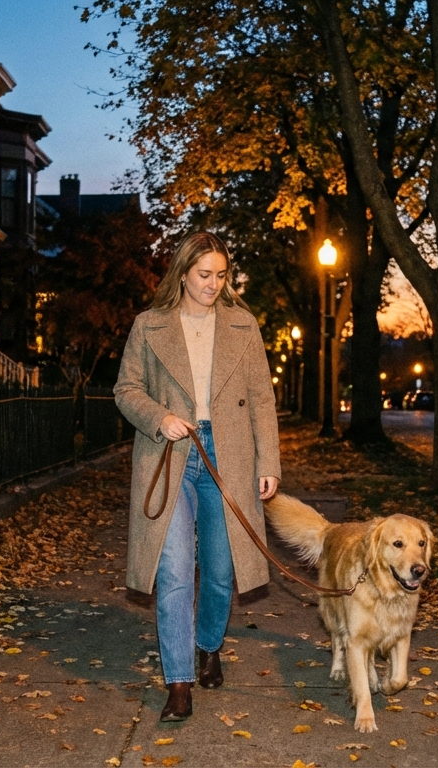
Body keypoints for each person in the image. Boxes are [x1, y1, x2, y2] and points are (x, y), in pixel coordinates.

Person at [114, 231, 281, 722]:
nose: (213, 284)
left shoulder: (242, 325)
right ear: (183, 273)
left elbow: (263, 398)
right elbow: (126, 389)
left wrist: (268, 461)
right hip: (170, 456)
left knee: (221, 569)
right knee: (173, 570)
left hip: (228, 455)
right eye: (204, 275)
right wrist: (159, 417)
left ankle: (209, 645)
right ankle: (179, 682)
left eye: (221, 275)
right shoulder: (150, 326)